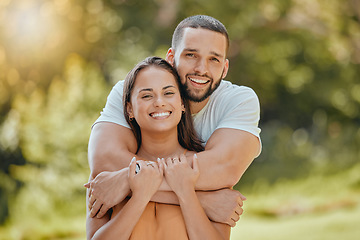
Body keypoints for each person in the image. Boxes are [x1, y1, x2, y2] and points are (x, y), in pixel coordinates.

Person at [86, 15, 261, 228]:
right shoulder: (131, 92)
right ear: (171, 57)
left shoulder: (239, 101)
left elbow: (222, 169)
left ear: (224, 68)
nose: (201, 69)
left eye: (213, 59)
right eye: (191, 55)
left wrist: (126, 180)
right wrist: (201, 200)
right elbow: (106, 162)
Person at [88, 56, 230, 239]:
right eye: (147, 95)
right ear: (129, 109)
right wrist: (140, 197)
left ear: (182, 103)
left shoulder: (206, 173)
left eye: (168, 93)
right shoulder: (108, 177)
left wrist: (186, 192)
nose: (159, 102)